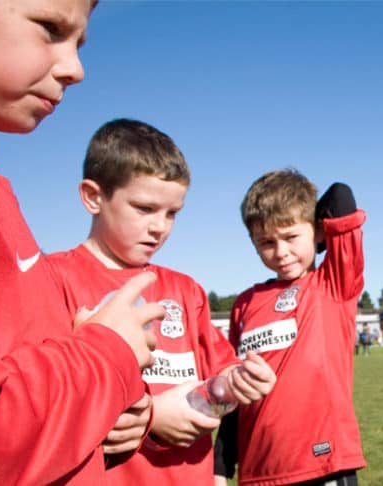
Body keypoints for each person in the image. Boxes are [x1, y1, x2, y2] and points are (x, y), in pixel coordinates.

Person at [0, 1, 167, 483]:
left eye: (78, 43)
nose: (75, 69)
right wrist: (105, 356)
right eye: (50, 28)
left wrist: (114, 411)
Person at [46, 119, 276, 485]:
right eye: (144, 208)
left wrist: (237, 382)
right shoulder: (50, 280)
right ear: (93, 196)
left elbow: (218, 378)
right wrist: (152, 416)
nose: (160, 227)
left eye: (172, 213)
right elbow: (40, 410)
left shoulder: (186, 291)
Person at [214, 170, 367, 485]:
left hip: (323, 465)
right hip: (259, 470)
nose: (281, 252)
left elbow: (341, 196)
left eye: (291, 237)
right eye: (267, 242)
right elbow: (235, 387)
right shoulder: (245, 303)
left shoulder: (332, 283)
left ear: (317, 232)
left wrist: (315, 230)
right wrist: (221, 464)